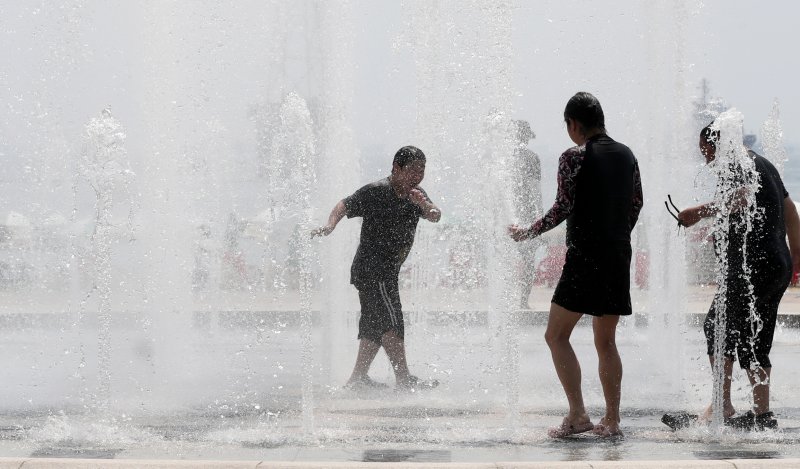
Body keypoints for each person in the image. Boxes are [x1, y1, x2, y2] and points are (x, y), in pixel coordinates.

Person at [508, 92, 643, 438]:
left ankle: (578, 415)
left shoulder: (573, 157)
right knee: (606, 342)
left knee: (556, 334)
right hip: (617, 255)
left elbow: (562, 209)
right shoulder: (627, 154)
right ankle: (611, 420)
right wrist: (617, 236)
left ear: (573, 124)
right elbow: (636, 203)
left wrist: (527, 232)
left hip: (584, 256)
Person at [674, 119, 800, 430]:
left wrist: (696, 213)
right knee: (755, 337)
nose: (706, 159)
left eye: (707, 151)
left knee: (716, 327)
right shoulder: (764, 164)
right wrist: (795, 260)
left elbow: (743, 197)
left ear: (720, 144)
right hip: (776, 266)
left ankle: (723, 404)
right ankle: (762, 414)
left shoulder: (735, 164)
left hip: (754, 267)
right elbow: (791, 212)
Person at [311, 145, 442, 391]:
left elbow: (435, 215)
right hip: (373, 270)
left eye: (422, 170)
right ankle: (404, 380)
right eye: (412, 170)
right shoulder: (377, 191)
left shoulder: (417, 195)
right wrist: (330, 225)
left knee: (373, 325)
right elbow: (344, 205)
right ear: (396, 168)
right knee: (392, 322)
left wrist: (425, 206)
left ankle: (357, 379)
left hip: (384, 272)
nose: (418, 176)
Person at [510, 120, 544, 309]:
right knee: (528, 260)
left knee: (506, 258)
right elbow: (535, 191)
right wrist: (540, 220)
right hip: (527, 215)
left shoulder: (502, 157)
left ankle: (506, 299)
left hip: (508, 216)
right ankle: (523, 301)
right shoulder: (532, 157)